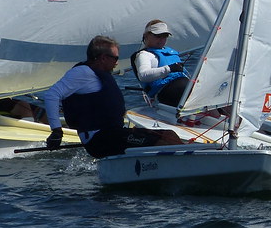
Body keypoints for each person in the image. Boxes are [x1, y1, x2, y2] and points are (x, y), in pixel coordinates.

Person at [43, 35, 180, 157]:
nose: (117, 62)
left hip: (113, 134)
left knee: (169, 135)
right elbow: (52, 95)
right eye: (115, 58)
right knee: (161, 142)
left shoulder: (100, 73)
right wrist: (56, 131)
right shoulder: (82, 73)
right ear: (103, 58)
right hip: (99, 139)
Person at [131, 20, 189, 106]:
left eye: (165, 36)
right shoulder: (144, 55)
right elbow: (143, 75)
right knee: (184, 85)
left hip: (182, 88)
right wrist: (169, 69)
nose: (162, 39)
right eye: (158, 36)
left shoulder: (170, 51)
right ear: (146, 36)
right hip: (164, 93)